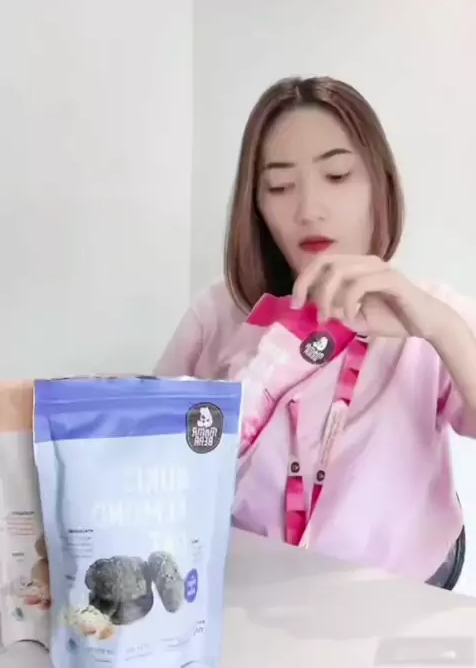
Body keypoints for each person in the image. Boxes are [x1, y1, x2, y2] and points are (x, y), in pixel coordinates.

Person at [155, 76, 476, 588]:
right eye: (280, 186)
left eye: (338, 175)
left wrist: (440, 328)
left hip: (400, 593)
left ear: (379, 185)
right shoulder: (220, 314)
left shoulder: (429, 314)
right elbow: (153, 454)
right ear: (256, 206)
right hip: (254, 589)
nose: (308, 210)